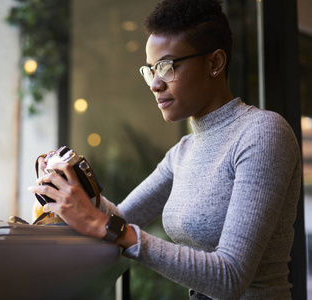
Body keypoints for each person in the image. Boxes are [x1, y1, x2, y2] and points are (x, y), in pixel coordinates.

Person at [27, 0, 302, 299]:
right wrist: (78, 184)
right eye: (149, 70)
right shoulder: (182, 151)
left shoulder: (262, 133)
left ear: (215, 63)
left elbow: (230, 276)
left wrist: (106, 225)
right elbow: (120, 217)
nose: (155, 84)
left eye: (167, 67)